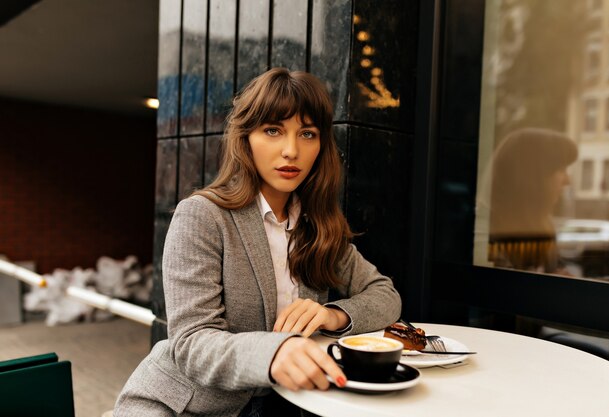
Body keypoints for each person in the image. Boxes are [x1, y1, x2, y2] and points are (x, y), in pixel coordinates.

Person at [114, 68, 401, 417]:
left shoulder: (319, 226)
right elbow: (191, 344)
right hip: (184, 408)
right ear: (246, 138)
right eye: (273, 131)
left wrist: (332, 315)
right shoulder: (202, 216)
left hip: (287, 403)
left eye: (307, 133)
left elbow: (385, 295)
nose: (291, 150)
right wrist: (274, 352)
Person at [485, 127, 578, 273]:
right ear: (533, 177)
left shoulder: (543, 226)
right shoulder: (484, 235)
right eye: (560, 170)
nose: (567, 181)